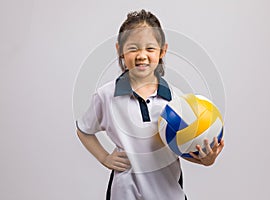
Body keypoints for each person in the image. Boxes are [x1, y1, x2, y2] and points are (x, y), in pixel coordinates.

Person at [76, 9, 224, 200]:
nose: (141, 55)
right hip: (124, 194)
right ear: (120, 50)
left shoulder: (178, 102)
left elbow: (183, 147)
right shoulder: (106, 95)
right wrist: (104, 157)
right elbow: (84, 130)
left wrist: (206, 160)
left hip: (168, 194)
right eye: (133, 48)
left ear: (162, 51)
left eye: (150, 49)